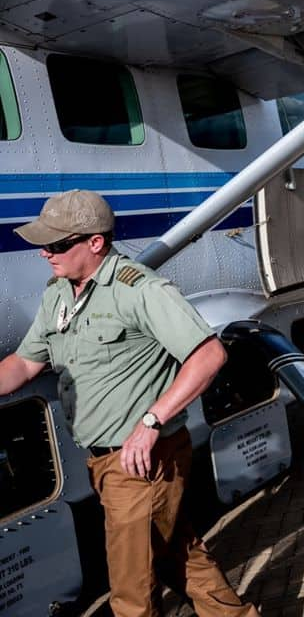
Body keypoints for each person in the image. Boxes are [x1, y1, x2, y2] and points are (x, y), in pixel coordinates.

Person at [0, 190, 259, 617]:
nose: (45, 252)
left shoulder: (139, 290)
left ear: (95, 242)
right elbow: (24, 365)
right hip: (103, 462)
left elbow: (210, 355)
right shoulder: (59, 296)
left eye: (58, 244)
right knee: (177, 553)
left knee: (130, 593)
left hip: (141, 461)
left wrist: (151, 421)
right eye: (44, 243)